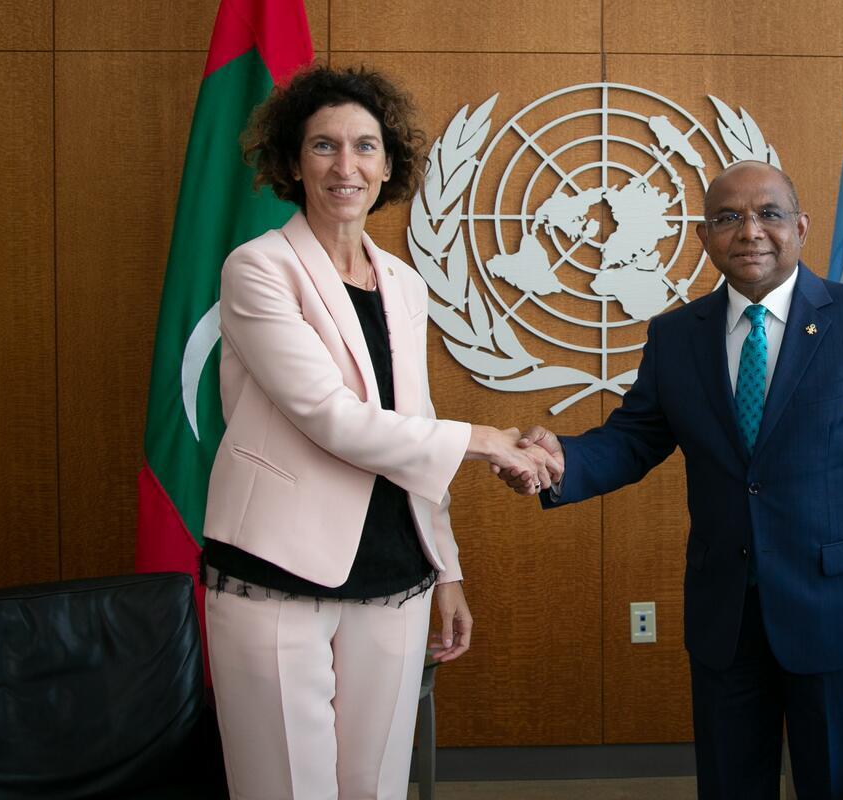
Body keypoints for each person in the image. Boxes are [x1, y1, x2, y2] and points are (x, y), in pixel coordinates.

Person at [501, 161, 843, 800]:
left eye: (769, 214)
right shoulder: (677, 336)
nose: (750, 231)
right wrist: (560, 461)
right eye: (729, 217)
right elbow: (634, 439)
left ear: (800, 228)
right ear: (704, 236)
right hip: (725, 615)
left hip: (837, 615)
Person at [200, 64, 553, 800]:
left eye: (365, 146)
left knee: (377, 788)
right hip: (276, 570)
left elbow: (409, 428)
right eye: (323, 146)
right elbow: (331, 417)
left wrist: (446, 569)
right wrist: (487, 439)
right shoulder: (257, 269)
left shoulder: (403, 282)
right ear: (293, 163)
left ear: (388, 165)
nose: (345, 166)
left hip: (396, 570)